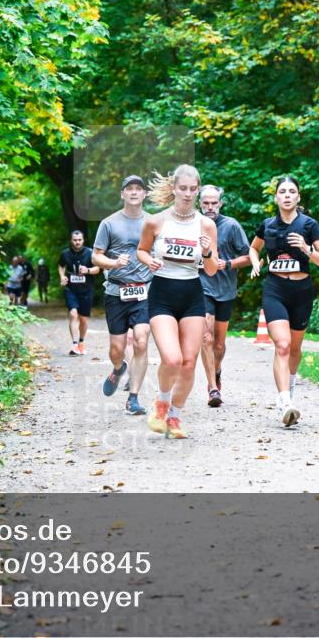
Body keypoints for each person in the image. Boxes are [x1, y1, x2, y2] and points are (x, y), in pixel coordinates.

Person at [136, 165, 219, 439]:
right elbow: (141, 250)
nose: (187, 193)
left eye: (192, 189)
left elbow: (211, 269)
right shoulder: (156, 221)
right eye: (182, 188)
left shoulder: (206, 225)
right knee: (171, 358)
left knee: (188, 363)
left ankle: (175, 417)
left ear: (198, 189)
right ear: (173, 188)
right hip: (162, 294)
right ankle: (161, 404)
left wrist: (206, 252)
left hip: (192, 295)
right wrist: (149, 261)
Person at [248, 176, 319, 427]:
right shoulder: (268, 225)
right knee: (282, 345)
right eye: (282, 191)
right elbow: (254, 248)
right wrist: (255, 263)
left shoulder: (309, 225)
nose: (286, 195)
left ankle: (290, 390)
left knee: (294, 348)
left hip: (302, 290)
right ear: (276, 197)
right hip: (275, 288)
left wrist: (306, 249)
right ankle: (285, 402)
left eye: (291, 191)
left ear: (298, 197)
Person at [93, 175, 153, 416]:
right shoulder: (109, 223)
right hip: (116, 290)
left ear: (145, 194)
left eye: (139, 189)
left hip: (145, 289)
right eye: (130, 189)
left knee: (141, 339)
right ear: (122, 194)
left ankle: (134, 398)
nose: (134, 192)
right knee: (117, 349)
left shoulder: (153, 222)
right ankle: (119, 369)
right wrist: (114, 263)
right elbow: (96, 257)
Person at [198, 185, 251, 407]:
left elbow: (249, 256)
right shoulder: (192, 225)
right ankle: (212, 388)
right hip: (201, 286)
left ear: (220, 203)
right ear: (199, 203)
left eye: (214, 203)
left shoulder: (231, 226)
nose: (210, 207)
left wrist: (227, 263)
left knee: (219, 344)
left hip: (225, 290)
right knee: (206, 337)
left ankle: (217, 370)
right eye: (205, 203)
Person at [58, 230, 99, 356]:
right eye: (75, 240)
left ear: (83, 240)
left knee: (83, 319)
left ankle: (81, 342)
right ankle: (74, 344)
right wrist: (62, 277)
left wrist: (87, 270)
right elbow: (61, 266)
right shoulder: (65, 253)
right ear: (71, 240)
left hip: (86, 290)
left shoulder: (90, 253)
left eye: (79, 240)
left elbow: (98, 269)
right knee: (73, 313)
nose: (77, 242)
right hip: (71, 289)